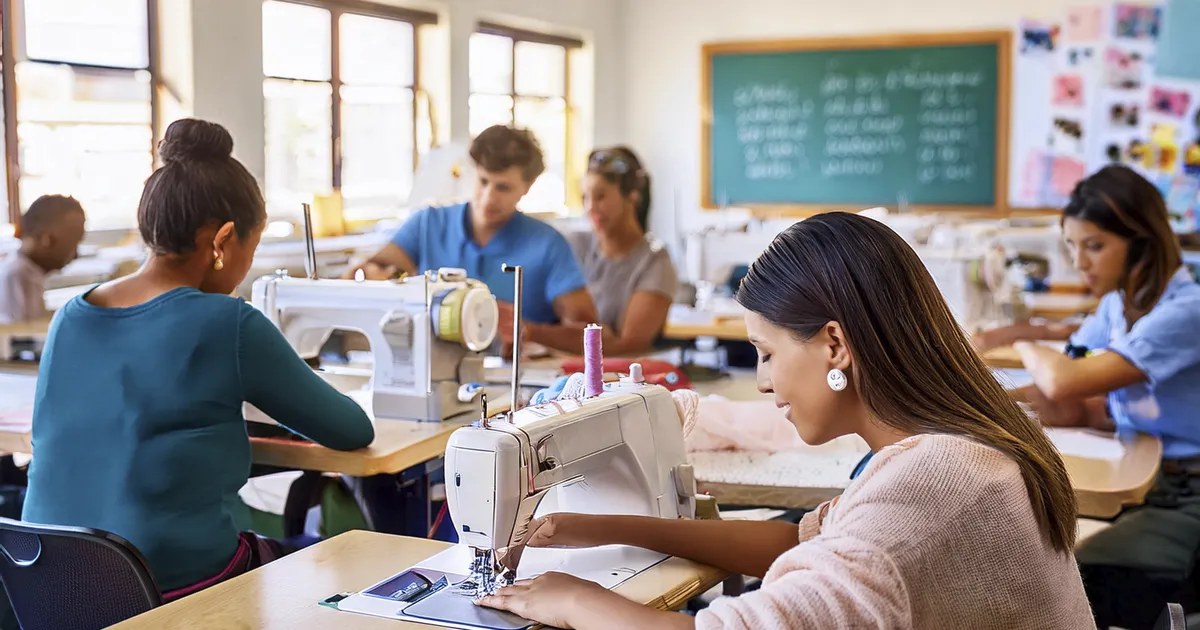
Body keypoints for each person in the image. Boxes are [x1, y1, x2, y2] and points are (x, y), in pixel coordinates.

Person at [477, 212, 1094, 629]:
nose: (765, 379)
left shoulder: (931, 483)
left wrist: (577, 600)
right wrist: (606, 527)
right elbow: (806, 542)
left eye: (767, 353)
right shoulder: (953, 447)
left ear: (834, 346)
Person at [22, 119, 374, 600]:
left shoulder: (71, 315)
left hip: (48, 583)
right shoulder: (228, 322)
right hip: (166, 586)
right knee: (355, 561)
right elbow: (352, 430)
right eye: (253, 246)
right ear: (224, 241)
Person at [1008, 165, 1200, 629]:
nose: (1079, 262)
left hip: (1187, 496)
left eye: (1094, 246)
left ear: (1142, 243)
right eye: (1072, 246)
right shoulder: (1119, 304)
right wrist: (990, 404)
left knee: (1059, 574)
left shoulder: (1185, 311)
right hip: (1151, 481)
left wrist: (1024, 345)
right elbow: (1069, 372)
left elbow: (1063, 380)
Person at [348, 125, 596, 348]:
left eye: (503, 187)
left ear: (527, 187)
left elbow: (591, 333)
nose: (489, 197)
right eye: (483, 181)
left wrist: (529, 331)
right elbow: (371, 271)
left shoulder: (548, 245)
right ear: (471, 171)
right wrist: (369, 274)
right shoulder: (428, 224)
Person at [533, 147, 677, 355]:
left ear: (632, 197)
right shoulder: (575, 245)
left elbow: (628, 344)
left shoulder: (655, 263)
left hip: (619, 379)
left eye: (600, 196)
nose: (590, 207)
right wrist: (598, 335)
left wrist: (537, 333)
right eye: (585, 197)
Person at [0, 195, 85, 324]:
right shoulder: (16, 277)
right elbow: (21, 338)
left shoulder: (29, 274)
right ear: (47, 240)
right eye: (72, 244)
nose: (75, 255)